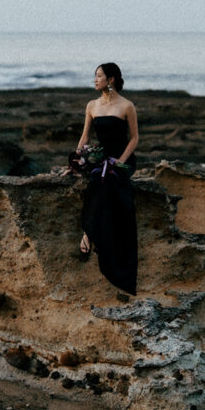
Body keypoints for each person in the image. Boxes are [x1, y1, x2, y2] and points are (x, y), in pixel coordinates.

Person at [75, 62, 139, 295]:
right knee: (98, 181)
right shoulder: (92, 105)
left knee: (108, 181)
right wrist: (76, 161)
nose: (95, 79)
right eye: (95, 76)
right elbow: (84, 137)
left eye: (99, 76)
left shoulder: (127, 106)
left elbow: (134, 139)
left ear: (111, 79)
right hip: (101, 159)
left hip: (123, 160)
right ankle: (90, 233)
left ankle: (88, 234)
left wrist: (120, 161)